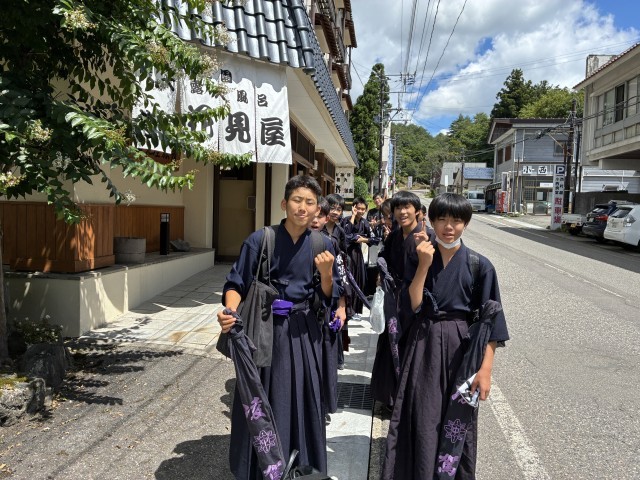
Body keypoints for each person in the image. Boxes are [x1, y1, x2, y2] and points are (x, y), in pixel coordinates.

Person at [218, 175, 340, 480]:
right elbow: (236, 284)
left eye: (309, 202)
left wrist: (326, 274)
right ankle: (258, 468)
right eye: (297, 200)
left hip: (303, 334)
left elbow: (327, 298)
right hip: (264, 330)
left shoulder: (323, 244)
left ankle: (302, 468)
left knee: (304, 399)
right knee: (262, 397)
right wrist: (230, 312)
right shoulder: (261, 240)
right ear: (284, 204)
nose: (302, 207)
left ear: (317, 209)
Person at [382, 193, 510, 479]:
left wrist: (485, 370)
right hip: (423, 343)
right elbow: (414, 305)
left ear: (466, 223)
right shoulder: (420, 256)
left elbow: (492, 323)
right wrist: (423, 265)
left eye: (456, 220)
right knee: (421, 413)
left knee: (458, 419)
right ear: (431, 220)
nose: (449, 227)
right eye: (442, 219)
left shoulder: (481, 265)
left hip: (461, 349)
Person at [370, 191, 425, 406]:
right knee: (390, 345)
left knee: (410, 348)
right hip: (394, 299)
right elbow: (383, 257)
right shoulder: (394, 235)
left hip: (414, 303)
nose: (402, 212)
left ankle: (407, 399)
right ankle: (391, 397)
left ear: (417, 211)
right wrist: (382, 274)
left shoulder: (426, 236)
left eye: (407, 207)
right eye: (398, 208)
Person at [310, 197, 347, 415]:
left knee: (325, 359)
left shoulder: (329, 243)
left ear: (326, 219)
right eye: (313, 215)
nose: (315, 220)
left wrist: (341, 307)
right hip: (300, 314)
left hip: (325, 311)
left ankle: (322, 406)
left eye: (321, 215)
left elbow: (340, 279)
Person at [324, 193, 352, 369]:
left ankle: (337, 358)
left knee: (336, 317)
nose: (335, 212)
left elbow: (343, 256)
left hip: (336, 277)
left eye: (339, 209)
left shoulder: (340, 231)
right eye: (332, 208)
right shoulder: (317, 228)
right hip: (321, 277)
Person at [341, 196, 376, 314]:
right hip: (346, 254)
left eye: (363, 209)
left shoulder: (365, 223)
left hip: (357, 255)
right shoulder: (345, 220)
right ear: (353, 208)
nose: (360, 211)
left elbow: (374, 239)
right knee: (346, 281)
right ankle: (346, 309)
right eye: (358, 208)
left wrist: (363, 240)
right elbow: (345, 236)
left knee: (358, 281)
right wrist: (353, 216)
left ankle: (354, 310)